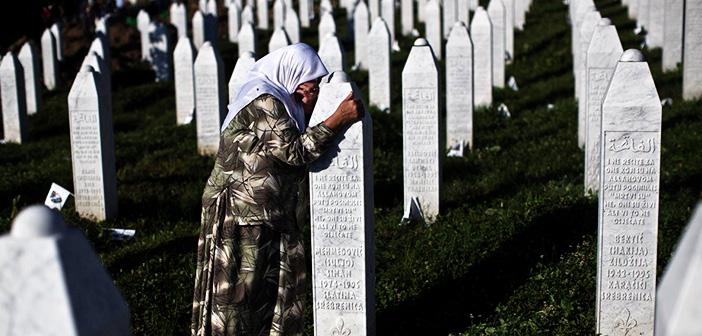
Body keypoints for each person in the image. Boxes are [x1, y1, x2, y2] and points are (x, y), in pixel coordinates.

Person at [191, 43, 363, 336]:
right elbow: (294, 151)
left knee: (264, 294)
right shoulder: (264, 100)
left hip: (267, 211)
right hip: (241, 213)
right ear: (293, 73)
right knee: (239, 294)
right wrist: (338, 119)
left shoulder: (282, 99)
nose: (313, 89)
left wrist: (307, 106)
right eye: (311, 81)